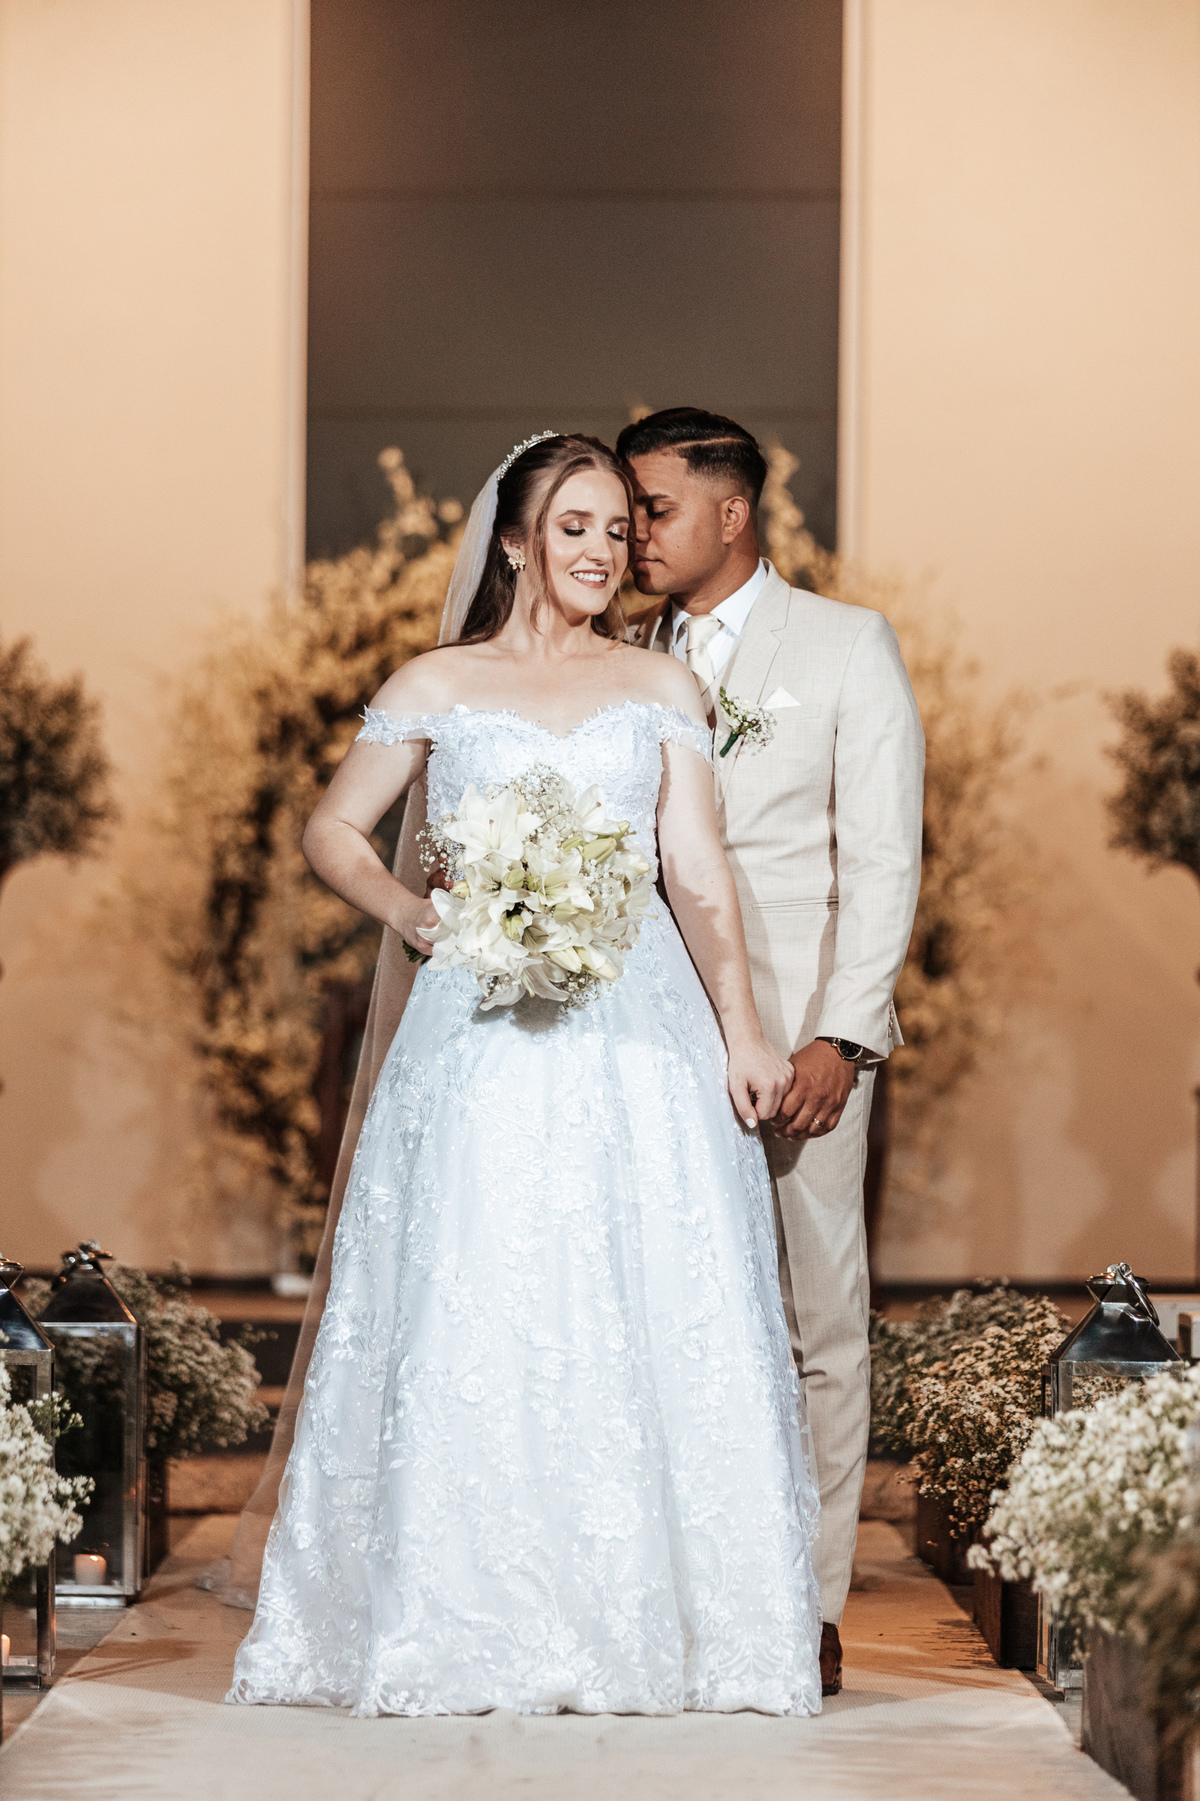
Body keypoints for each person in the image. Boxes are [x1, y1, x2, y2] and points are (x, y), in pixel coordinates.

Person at [226, 432, 823, 1717]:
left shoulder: (661, 689)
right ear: (513, 539)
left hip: (639, 1030)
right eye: (574, 526)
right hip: (479, 1034)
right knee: (480, 1293)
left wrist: (744, 1028)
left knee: (639, 1295)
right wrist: (412, 910)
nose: (603, 550)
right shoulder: (437, 684)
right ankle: (454, 1621)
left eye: (617, 528)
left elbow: (696, 873)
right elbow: (332, 828)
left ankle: (657, 1625)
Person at [617, 408, 924, 1697]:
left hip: (801, 1033)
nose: (633, 532)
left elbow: (884, 857)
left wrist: (842, 1035)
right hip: (643, 1027)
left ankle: (810, 1600)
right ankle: (675, 1584)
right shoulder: (619, 652)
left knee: (817, 1318)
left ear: (731, 512)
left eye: (655, 508)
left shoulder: (847, 645)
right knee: (654, 1307)